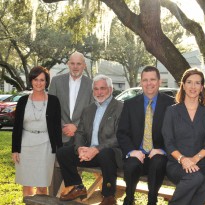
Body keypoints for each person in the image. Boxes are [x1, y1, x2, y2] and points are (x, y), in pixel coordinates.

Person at [56, 74, 123, 205]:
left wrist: (96, 149)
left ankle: (109, 196)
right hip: (88, 153)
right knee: (63, 153)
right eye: (96, 89)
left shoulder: (120, 107)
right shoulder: (88, 109)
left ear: (110, 89)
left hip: (109, 154)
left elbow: (119, 136)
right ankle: (77, 187)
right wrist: (80, 148)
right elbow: (80, 132)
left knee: (105, 153)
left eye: (102, 88)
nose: (99, 92)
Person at [162, 68, 205, 205]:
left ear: (202, 87)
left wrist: (194, 159)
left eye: (197, 83)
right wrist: (183, 159)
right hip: (177, 163)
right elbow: (168, 141)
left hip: (203, 162)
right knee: (194, 178)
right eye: (189, 82)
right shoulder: (171, 111)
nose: (193, 87)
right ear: (183, 85)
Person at [117, 66, 175, 205]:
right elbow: (122, 132)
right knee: (131, 165)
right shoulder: (130, 104)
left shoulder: (171, 104)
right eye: (145, 80)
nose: (149, 83)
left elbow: (175, 133)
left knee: (157, 162)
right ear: (141, 82)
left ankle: (152, 200)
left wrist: (162, 150)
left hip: (159, 154)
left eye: (153, 79)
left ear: (159, 81)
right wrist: (132, 151)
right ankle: (129, 199)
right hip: (138, 153)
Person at [12, 66, 62, 196]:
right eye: (35, 79)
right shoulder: (23, 101)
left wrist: (59, 150)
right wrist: (15, 149)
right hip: (25, 147)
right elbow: (17, 127)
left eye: (42, 80)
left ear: (46, 82)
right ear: (31, 81)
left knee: (42, 185)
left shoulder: (54, 101)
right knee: (26, 185)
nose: (38, 83)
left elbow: (57, 128)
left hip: (45, 146)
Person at [48, 51, 93, 195]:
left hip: (81, 136)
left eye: (78, 64)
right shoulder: (56, 81)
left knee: (71, 162)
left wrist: (76, 127)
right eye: (72, 63)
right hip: (59, 134)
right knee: (55, 173)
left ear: (84, 66)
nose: (75, 67)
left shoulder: (91, 84)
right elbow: (51, 108)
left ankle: (75, 190)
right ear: (68, 64)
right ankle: (57, 198)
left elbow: (92, 111)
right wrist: (63, 126)